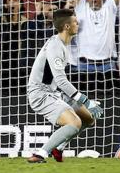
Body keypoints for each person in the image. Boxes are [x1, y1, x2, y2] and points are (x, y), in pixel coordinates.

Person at [26, 9, 102, 163]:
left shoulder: (62, 44)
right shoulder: (55, 46)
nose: (78, 24)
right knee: (75, 123)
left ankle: (58, 148)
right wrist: (86, 101)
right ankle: (41, 153)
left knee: (88, 118)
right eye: (75, 22)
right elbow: (61, 81)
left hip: (54, 93)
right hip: (40, 94)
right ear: (67, 26)